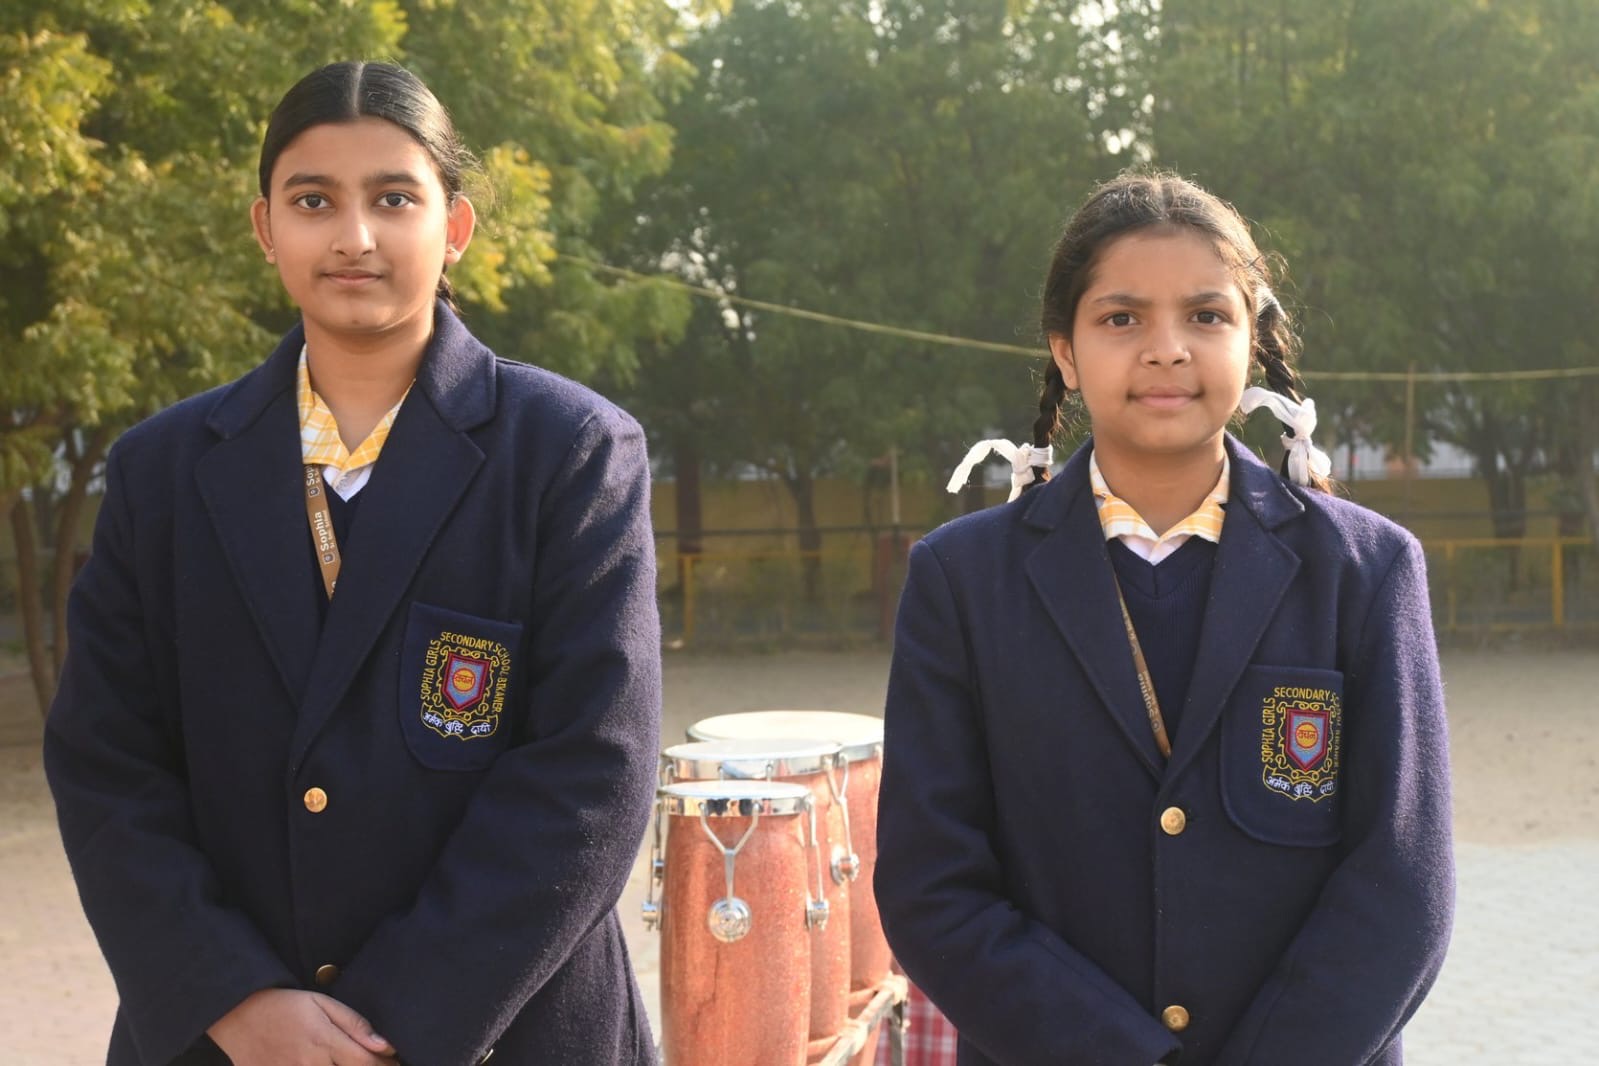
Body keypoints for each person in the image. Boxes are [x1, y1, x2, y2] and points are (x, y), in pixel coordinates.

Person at [44, 61, 661, 1066]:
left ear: (455, 226)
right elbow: (106, 764)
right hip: (229, 1040)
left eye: (394, 198)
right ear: (265, 227)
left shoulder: (569, 453)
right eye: (313, 200)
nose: (354, 236)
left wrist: (394, 1025)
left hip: (505, 1031)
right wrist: (233, 997)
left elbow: (593, 769)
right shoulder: (161, 472)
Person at [874, 171, 1453, 1066]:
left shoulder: (1365, 572)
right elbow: (931, 887)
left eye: (1206, 316)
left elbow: (1402, 882)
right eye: (1121, 319)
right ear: (1065, 352)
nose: (1166, 350)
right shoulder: (961, 580)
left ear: (1252, 341)